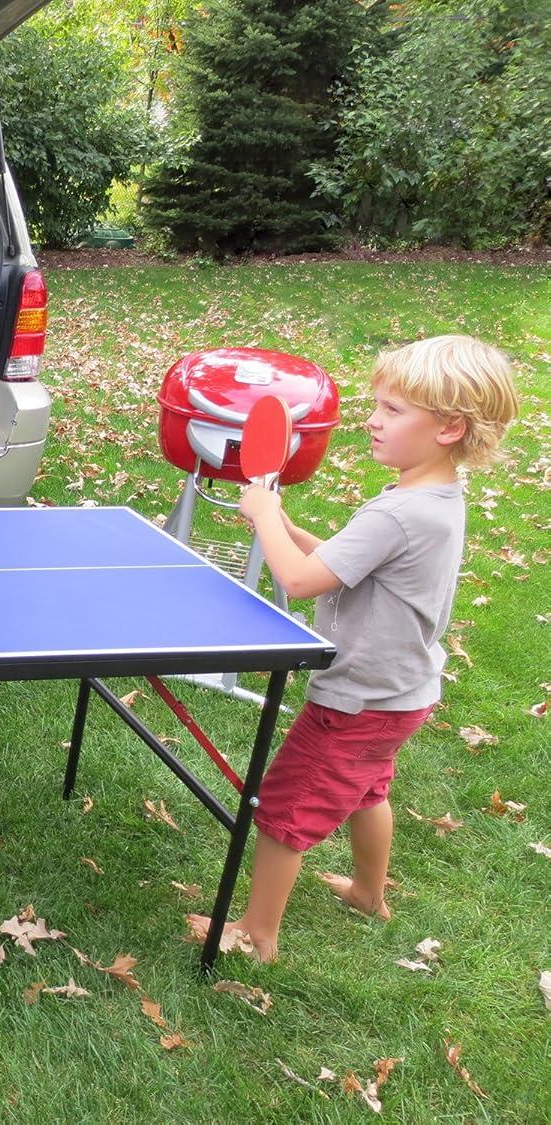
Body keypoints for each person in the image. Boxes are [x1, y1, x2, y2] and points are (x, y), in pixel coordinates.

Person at [200, 335, 518, 962]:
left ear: (450, 427)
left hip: (358, 698)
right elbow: (349, 563)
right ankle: (369, 893)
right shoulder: (433, 497)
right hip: (401, 693)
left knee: (287, 808)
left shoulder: (398, 512)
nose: (372, 419)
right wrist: (286, 524)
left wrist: (264, 513)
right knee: (368, 790)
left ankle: (258, 935)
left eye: (393, 409)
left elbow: (298, 579)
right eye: (377, 404)